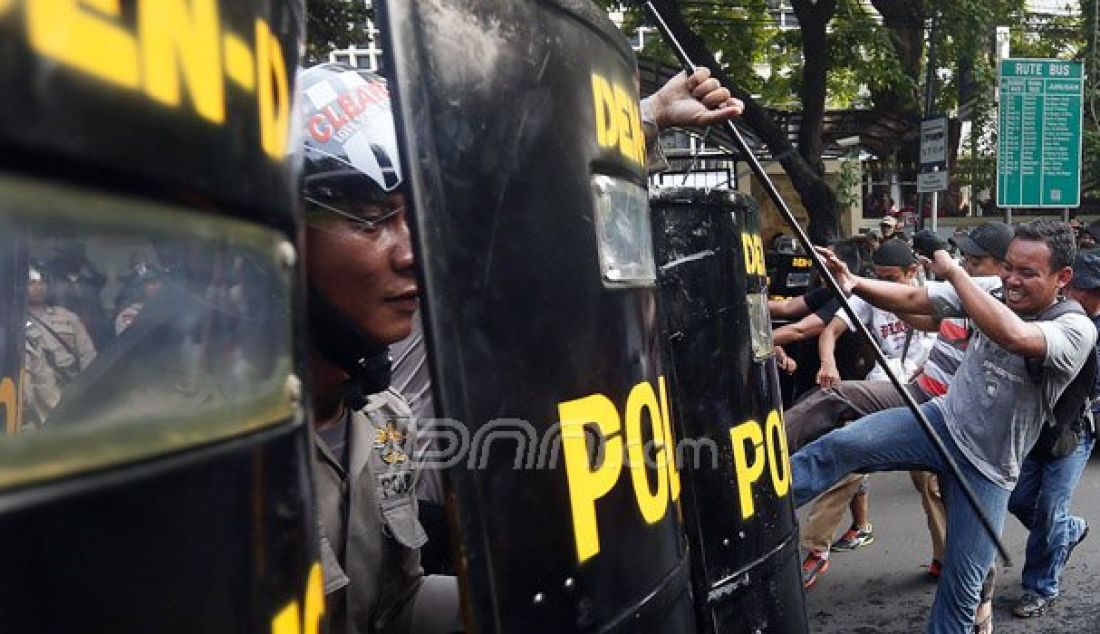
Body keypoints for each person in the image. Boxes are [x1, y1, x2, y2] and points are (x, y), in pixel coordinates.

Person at [393, 66, 746, 574]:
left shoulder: (538, 265)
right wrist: (646, 116)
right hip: (431, 512)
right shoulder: (440, 249)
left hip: (531, 494)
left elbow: (573, 191)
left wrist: (646, 118)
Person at [793, 219, 1095, 632]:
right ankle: (755, 506)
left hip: (987, 468)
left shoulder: (1075, 328)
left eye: (1028, 273)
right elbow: (917, 295)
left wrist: (954, 270)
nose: (1012, 280)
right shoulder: (992, 289)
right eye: (1008, 267)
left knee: (961, 591)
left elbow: (1015, 337)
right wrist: (854, 284)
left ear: (1062, 278)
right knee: (840, 446)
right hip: (940, 422)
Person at [298, 63, 460, 634]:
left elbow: (398, 604)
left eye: (414, 217)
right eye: (370, 220)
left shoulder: (388, 419)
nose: (411, 253)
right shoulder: (201, 456)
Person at [790, 223, 1012, 590]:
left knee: (944, 497)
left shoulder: (995, 297)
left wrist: (951, 271)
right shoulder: (955, 293)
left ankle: (963, 575)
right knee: (846, 440)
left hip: (956, 419)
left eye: (976, 260)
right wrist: (857, 285)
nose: (967, 265)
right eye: (966, 259)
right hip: (913, 394)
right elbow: (913, 311)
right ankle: (772, 489)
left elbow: (919, 302)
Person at [1000, 250, 1100, 620]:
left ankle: (1040, 588)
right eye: (1082, 290)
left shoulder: (1084, 328)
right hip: (1034, 428)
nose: (1084, 297)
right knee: (1021, 501)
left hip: (1071, 433)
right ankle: (1069, 530)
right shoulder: (1048, 317)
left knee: (1047, 512)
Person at [26, 264, 96, 388]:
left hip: (72, 385)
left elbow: (87, 353)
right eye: (31, 284)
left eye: (42, 283)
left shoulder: (66, 316)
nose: (38, 288)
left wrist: (87, 386)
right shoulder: (13, 322)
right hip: (39, 391)